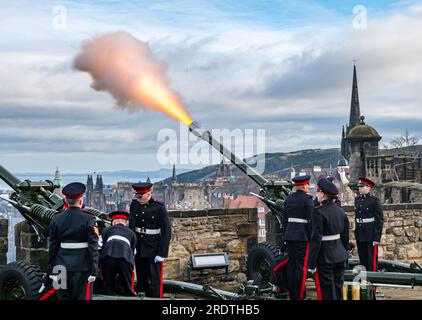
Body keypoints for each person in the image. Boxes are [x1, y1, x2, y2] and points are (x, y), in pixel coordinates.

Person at [47, 182, 99, 300]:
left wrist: (51, 271)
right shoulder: (89, 219)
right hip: (82, 268)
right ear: (81, 200)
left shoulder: (56, 218)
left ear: (65, 200)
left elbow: (53, 247)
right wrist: (93, 270)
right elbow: (93, 248)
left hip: (60, 267)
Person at [308, 178, 349, 300]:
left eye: (318, 192)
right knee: (338, 290)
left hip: (325, 258)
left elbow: (316, 239)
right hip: (340, 255)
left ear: (323, 194)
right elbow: (345, 236)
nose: (317, 195)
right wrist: (344, 253)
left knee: (327, 293)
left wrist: (312, 263)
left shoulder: (318, 212)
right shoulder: (341, 211)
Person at [129, 182, 171, 298]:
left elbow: (166, 230)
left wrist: (162, 253)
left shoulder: (159, 207)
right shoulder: (134, 204)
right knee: (141, 278)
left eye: (140, 196)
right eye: (137, 196)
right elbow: (131, 226)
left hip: (154, 247)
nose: (138, 199)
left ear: (148, 194)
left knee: (155, 279)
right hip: (139, 247)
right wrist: (133, 246)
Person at [282, 175, 314, 300]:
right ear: (304, 186)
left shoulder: (289, 199)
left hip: (290, 236)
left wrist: (286, 235)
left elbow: (285, 221)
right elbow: (311, 222)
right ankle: (300, 296)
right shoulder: (307, 200)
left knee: (292, 266)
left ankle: (293, 294)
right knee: (301, 267)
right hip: (302, 238)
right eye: (307, 185)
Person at [99, 210, 137, 296]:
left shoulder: (106, 230)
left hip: (108, 257)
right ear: (126, 222)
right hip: (125, 259)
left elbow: (99, 245)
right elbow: (133, 252)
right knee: (127, 287)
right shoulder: (132, 233)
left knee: (109, 285)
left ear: (114, 221)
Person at [354, 177, 384, 272]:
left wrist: (376, 238)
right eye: (359, 187)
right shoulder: (357, 200)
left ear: (369, 187)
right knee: (362, 259)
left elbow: (379, 221)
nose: (359, 188)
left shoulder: (374, 201)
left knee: (372, 260)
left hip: (370, 234)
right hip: (360, 233)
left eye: (362, 187)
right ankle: (364, 281)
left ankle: (373, 283)